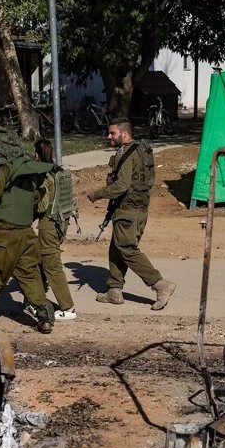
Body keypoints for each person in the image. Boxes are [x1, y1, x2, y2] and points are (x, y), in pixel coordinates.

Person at [0, 127, 55, 333]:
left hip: (3, 235)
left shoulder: (4, 166)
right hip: (26, 233)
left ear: (0, 148)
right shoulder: (30, 166)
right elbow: (36, 198)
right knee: (30, 276)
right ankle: (45, 318)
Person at [86, 117, 175, 310]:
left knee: (127, 249)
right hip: (138, 209)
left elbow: (121, 186)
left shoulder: (127, 154)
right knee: (116, 248)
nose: (109, 136)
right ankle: (114, 290)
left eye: (113, 133)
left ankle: (160, 284)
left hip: (128, 211)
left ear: (124, 133)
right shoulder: (140, 150)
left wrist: (97, 194)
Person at [26, 138, 77, 321]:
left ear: (37, 154)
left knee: (52, 266)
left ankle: (67, 308)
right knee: (39, 261)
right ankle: (34, 301)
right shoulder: (60, 172)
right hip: (60, 223)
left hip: (48, 224)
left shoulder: (45, 176)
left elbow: (41, 205)